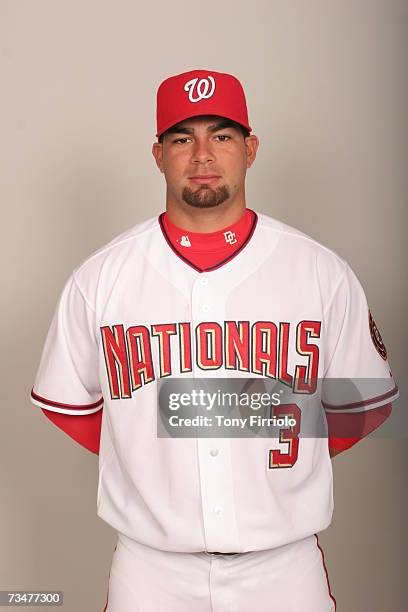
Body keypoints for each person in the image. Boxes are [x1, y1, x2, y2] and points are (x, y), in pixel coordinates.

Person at [30, 69, 398, 611]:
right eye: (183, 138)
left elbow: (362, 407)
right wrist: (145, 454)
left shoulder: (320, 271)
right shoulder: (101, 277)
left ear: (251, 148)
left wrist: (276, 452)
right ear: (158, 155)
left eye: (221, 135)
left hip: (284, 566)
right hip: (150, 570)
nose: (202, 154)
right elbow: (68, 406)